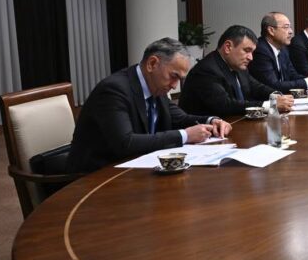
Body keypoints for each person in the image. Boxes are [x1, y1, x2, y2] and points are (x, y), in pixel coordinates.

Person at [65, 38, 231, 173]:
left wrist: (211, 121)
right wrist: (185, 135)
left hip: (134, 168)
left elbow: (180, 118)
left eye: (179, 79)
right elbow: (125, 143)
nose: (175, 86)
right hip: (96, 176)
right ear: (152, 63)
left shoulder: (155, 87)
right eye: (173, 76)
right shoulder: (114, 90)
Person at [180, 25, 294, 116]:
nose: (251, 57)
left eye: (252, 52)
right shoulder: (206, 70)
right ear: (228, 47)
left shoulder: (238, 66)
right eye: (247, 51)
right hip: (206, 133)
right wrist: (271, 105)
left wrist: (277, 96)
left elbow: (256, 87)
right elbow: (225, 105)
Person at [248, 12, 308, 90]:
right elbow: (273, 85)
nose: (291, 31)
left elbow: (292, 75)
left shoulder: (283, 49)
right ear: (271, 30)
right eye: (286, 27)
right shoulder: (260, 50)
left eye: (290, 27)